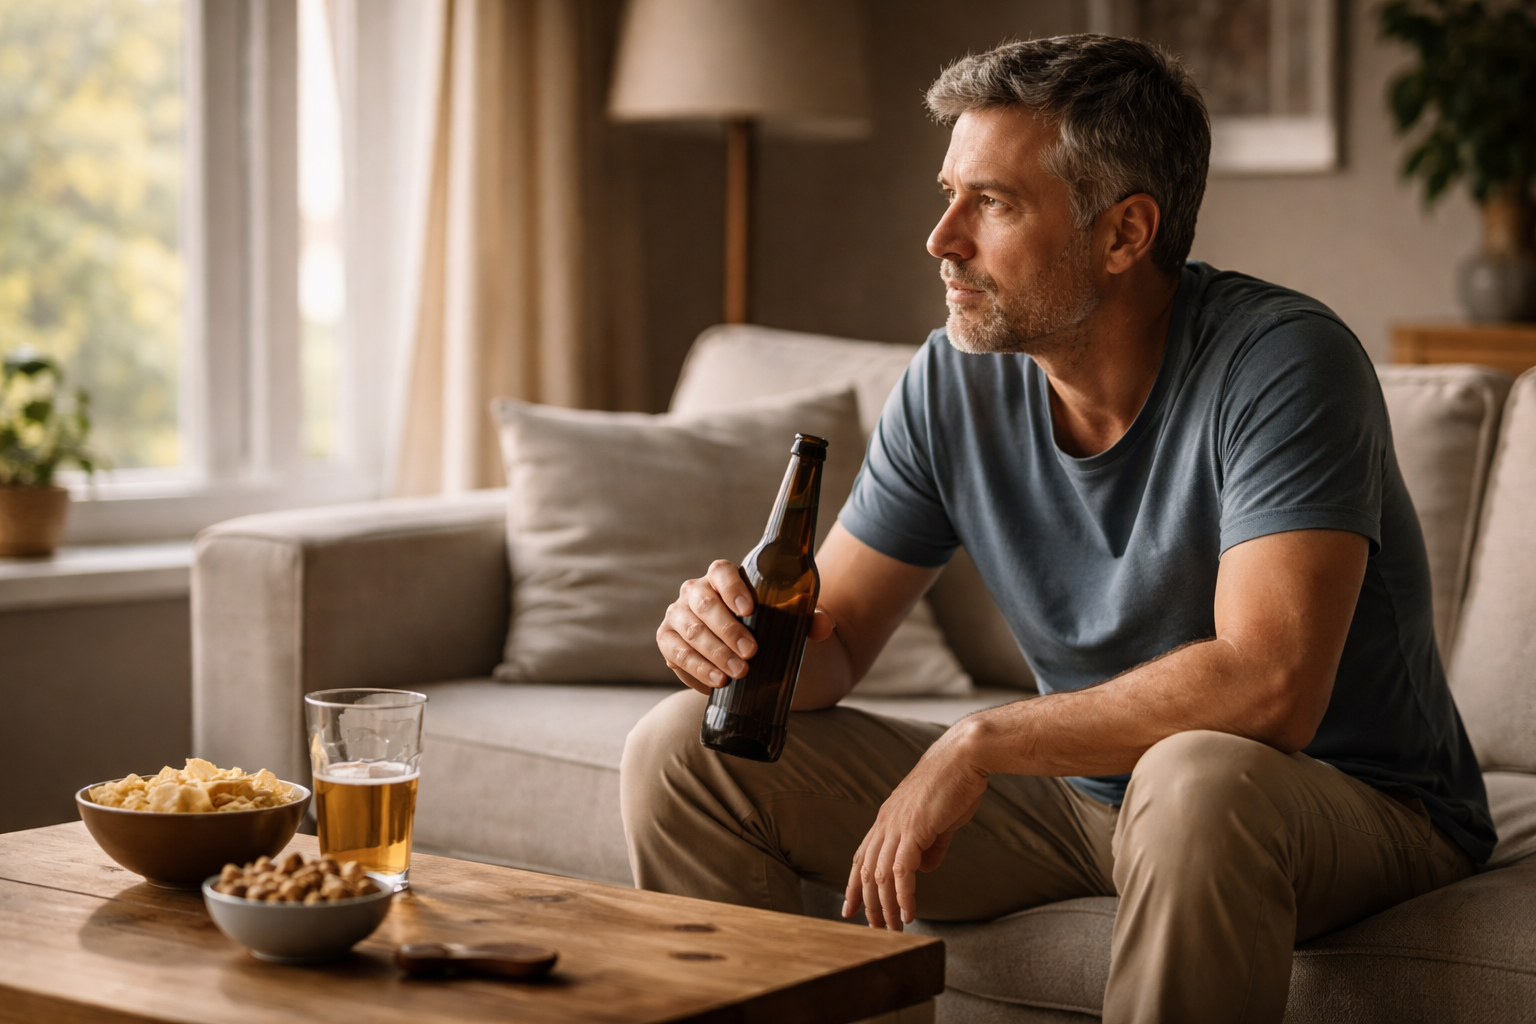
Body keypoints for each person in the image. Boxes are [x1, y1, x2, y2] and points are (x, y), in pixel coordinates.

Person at [620, 34, 1493, 1024]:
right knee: (686, 750)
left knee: (1196, 774)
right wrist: (732, 639)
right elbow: (836, 646)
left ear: (1124, 234)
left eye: (991, 203)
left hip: (1353, 803)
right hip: (1089, 802)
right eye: (949, 193)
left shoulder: (1285, 365)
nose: (942, 237)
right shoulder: (950, 381)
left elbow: (1270, 686)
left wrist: (980, 742)